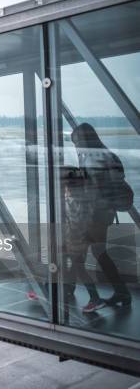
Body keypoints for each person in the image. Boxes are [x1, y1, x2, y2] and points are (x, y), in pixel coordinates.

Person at [71, 123, 132, 308]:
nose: (76, 147)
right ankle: (123, 293)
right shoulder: (108, 155)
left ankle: (93, 298)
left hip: (93, 214)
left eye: (76, 143)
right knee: (99, 252)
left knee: (76, 255)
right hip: (105, 213)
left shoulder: (93, 159)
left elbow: (92, 192)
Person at [61, 166, 105, 313]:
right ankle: (66, 289)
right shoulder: (82, 196)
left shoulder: (74, 199)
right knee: (73, 266)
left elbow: (75, 221)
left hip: (75, 239)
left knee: (79, 268)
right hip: (79, 238)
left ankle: (96, 299)